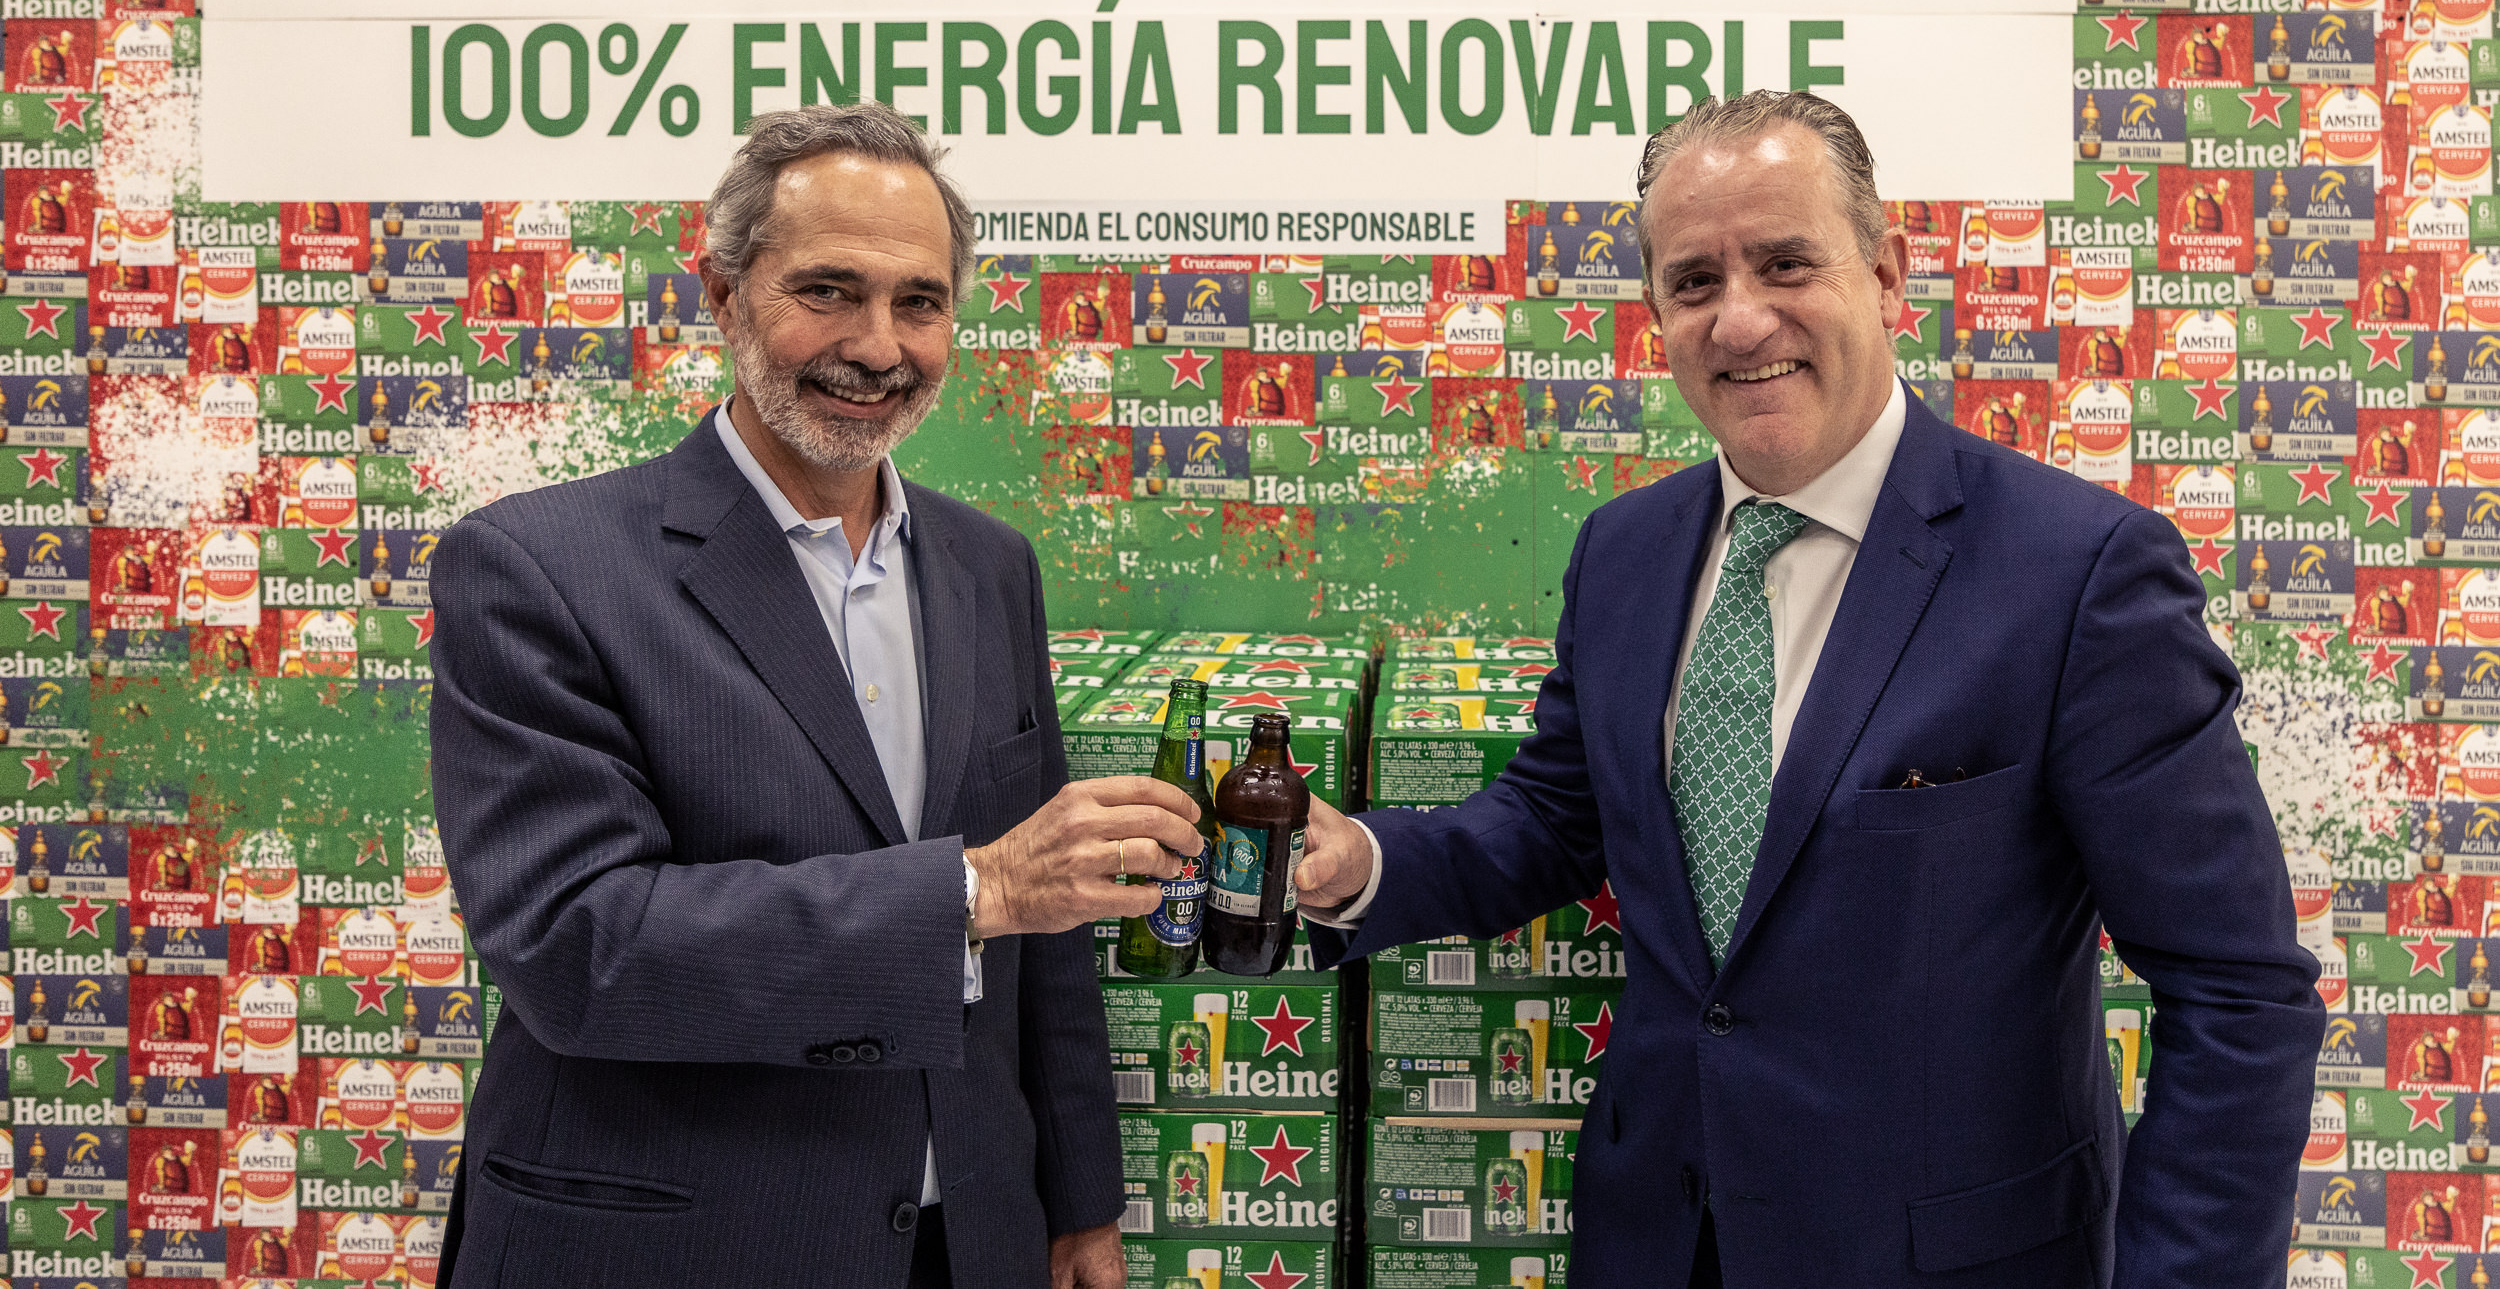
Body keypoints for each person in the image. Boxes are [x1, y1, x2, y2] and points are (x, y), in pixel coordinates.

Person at [1294, 91, 2323, 1289]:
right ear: (1656, 317)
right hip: (1654, 1241)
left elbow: (2238, 994)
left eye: (1785, 262)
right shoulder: (1623, 552)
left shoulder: (2079, 572)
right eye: (1693, 282)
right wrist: (1362, 862)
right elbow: (1558, 816)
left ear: (1886, 275)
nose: (1741, 318)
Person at [428, 103, 1205, 1289]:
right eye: (829, 291)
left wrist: (1079, 1201)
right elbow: (579, 943)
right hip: (679, 1248)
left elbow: (1046, 936)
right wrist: (972, 889)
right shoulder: (537, 566)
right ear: (724, 294)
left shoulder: (990, 565)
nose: (879, 346)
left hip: (968, 1241)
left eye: (919, 302)